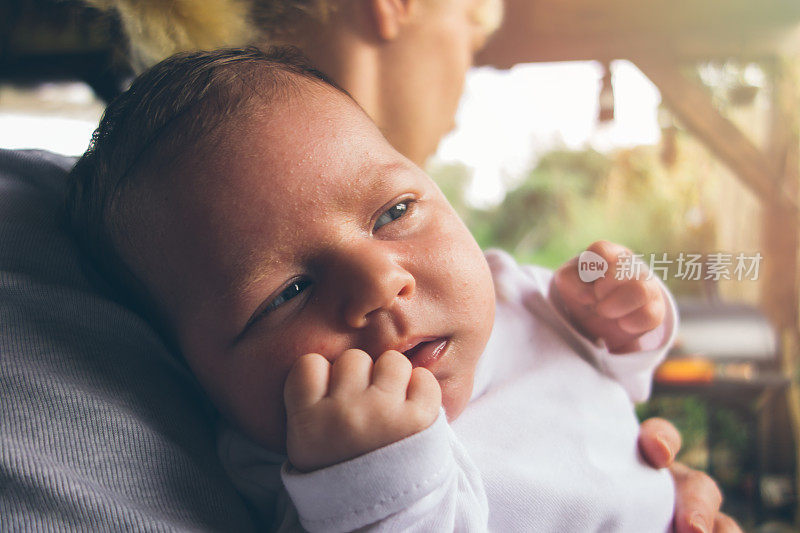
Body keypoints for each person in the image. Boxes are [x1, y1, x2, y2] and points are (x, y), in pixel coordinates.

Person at [68, 46, 679, 532]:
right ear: (192, 375)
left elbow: (622, 366)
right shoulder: (302, 478)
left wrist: (626, 318)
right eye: (288, 292)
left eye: (394, 211)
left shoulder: (509, 291)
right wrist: (375, 481)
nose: (380, 284)